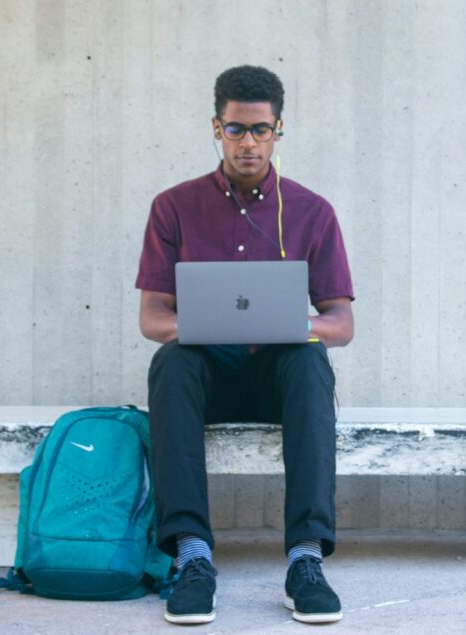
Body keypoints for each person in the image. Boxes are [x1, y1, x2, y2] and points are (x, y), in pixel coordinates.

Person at [135, 65, 355, 625]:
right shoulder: (174, 207)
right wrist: (207, 325)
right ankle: (192, 557)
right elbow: (153, 319)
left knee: (310, 359)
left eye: (261, 130)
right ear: (216, 127)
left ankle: (305, 560)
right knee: (171, 361)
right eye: (236, 130)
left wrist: (286, 324)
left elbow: (340, 324)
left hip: (274, 381)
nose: (249, 143)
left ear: (279, 130)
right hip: (206, 378)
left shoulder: (312, 211)